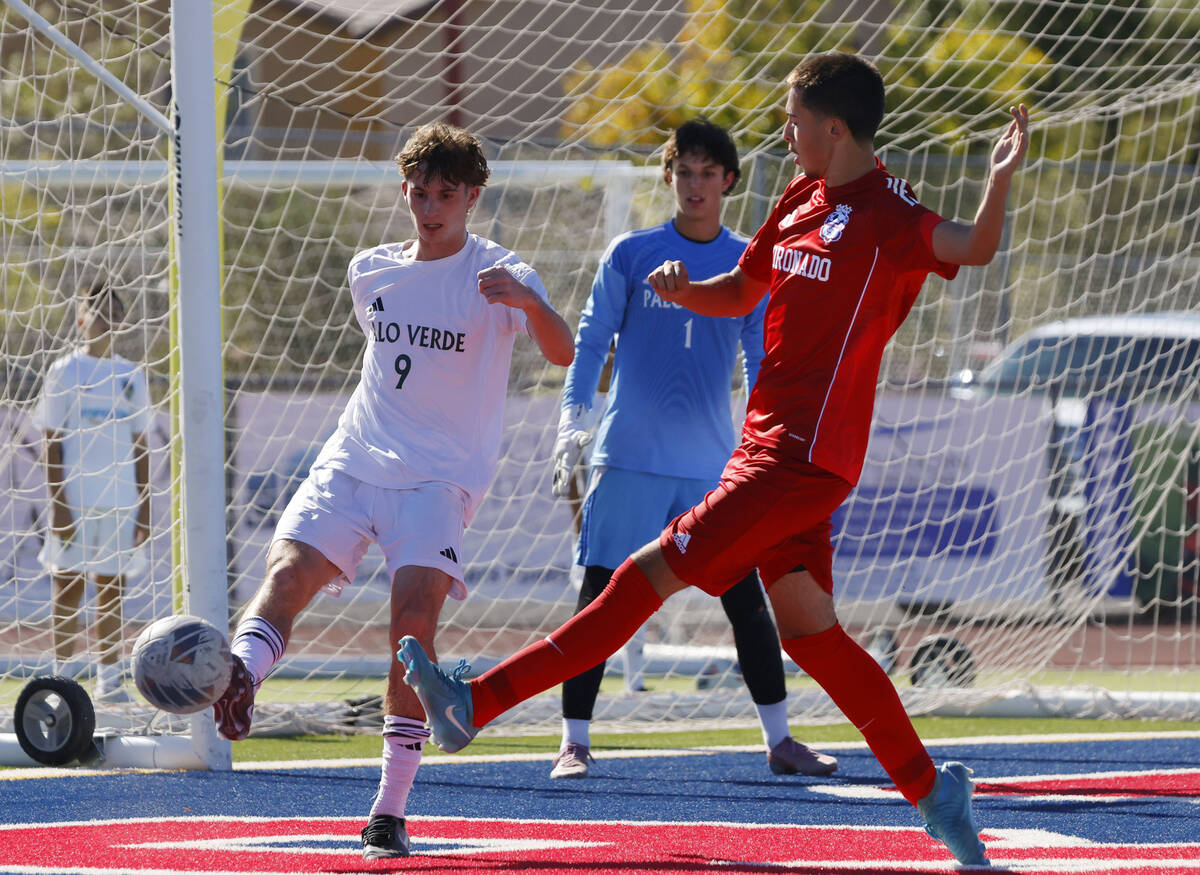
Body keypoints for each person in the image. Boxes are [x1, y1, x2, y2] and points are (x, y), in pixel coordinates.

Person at [399, 53, 1030, 867]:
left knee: (641, 577)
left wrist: (998, 180)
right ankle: (937, 797)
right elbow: (742, 286)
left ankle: (473, 703)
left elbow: (974, 245)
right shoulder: (801, 196)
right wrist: (683, 290)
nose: (784, 128)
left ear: (833, 129)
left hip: (800, 461)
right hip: (766, 450)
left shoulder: (888, 213)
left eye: (794, 117)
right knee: (814, 636)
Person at [209, 122, 574, 860]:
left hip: (438, 480)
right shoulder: (369, 270)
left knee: (410, 630)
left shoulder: (501, 271)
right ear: (404, 190)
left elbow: (564, 352)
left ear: (472, 196)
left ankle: (389, 809)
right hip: (353, 459)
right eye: (419, 192)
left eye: (446, 194)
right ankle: (240, 677)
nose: (431, 206)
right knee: (284, 573)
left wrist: (532, 305)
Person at [548, 118, 837, 780]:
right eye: (685, 170)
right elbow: (591, 341)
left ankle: (780, 740)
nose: (695, 183)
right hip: (627, 456)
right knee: (598, 596)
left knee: (744, 600)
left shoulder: (748, 261)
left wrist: (771, 443)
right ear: (668, 175)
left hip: (711, 465)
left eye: (709, 172)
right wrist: (574, 417)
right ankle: (574, 739)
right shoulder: (630, 252)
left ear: (729, 180)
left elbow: (761, 358)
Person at [35, 281, 152, 704]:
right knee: (67, 589)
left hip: (119, 502)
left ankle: (109, 680)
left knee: (111, 590)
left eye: (111, 311)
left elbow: (141, 444)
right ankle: (60, 682)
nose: (104, 318)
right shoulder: (65, 371)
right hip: (76, 502)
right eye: (96, 310)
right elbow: (51, 441)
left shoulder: (131, 376)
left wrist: (145, 506)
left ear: (120, 321)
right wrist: (59, 504)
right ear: (81, 319)